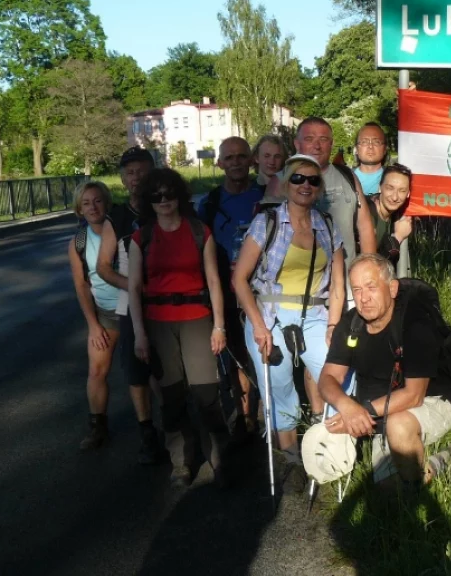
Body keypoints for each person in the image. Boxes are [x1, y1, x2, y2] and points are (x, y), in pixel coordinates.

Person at [232, 154, 346, 482]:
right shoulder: (266, 222)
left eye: (312, 180)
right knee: (280, 387)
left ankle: (326, 448)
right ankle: (292, 459)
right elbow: (240, 278)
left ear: (319, 187)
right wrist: (257, 325)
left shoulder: (326, 224)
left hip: (316, 313)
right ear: (286, 184)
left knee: (332, 376)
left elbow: (338, 281)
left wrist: (334, 324)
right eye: (298, 179)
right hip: (270, 313)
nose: (305, 185)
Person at [315, 254, 451, 489]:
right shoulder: (351, 325)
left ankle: (442, 465)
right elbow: (327, 378)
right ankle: (426, 469)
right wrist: (346, 406)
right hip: (379, 412)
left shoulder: (414, 323)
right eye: (357, 290)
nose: (363, 298)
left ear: (392, 288)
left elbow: (415, 395)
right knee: (388, 491)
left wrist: (361, 412)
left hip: (433, 401)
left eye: (371, 287)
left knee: (398, 426)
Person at [128, 168, 229, 486]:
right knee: (171, 398)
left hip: (197, 319)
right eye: (156, 196)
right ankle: (181, 462)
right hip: (158, 324)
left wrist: (220, 327)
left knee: (206, 394)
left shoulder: (200, 231)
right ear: (149, 201)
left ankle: (219, 458)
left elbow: (214, 281)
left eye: (169, 193)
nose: (164, 200)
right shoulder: (139, 238)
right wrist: (140, 334)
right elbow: (133, 289)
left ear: (179, 195)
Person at [95, 146, 166, 465]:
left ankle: (176, 426)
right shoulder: (118, 218)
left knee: (170, 367)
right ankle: (147, 431)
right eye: (130, 173)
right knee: (136, 369)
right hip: (129, 301)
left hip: (167, 299)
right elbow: (103, 267)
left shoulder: (165, 206)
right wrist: (135, 288)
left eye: (142, 171)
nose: (137, 178)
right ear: (123, 179)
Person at [197, 136, 265, 434]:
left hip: (263, 289)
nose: (236, 162)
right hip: (226, 289)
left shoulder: (267, 194)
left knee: (265, 350)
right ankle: (246, 416)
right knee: (236, 353)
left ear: (252, 160)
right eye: (230, 157)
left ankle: (273, 416)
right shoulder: (209, 204)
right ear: (220, 163)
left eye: (241, 156)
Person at [293, 117, 377, 299]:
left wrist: (369, 272)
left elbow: (364, 225)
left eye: (323, 139)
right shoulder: (282, 181)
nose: (317, 146)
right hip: (302, 295)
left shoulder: (347, 176)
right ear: (297, 144)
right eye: (309, 139)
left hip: (348, 287)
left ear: (332, 144)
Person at [68, 181, 120, 450]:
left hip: (132, 307)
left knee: (148, 372)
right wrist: (92, 325)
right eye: (86, 203)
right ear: (79, 209)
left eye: (97, 201)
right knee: (97, 370)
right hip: (103, 313)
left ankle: (158, 428)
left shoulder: (122, 229)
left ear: (107, 203)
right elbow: (81, 285)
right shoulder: (78, 242)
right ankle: (98, 427)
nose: (92, 207)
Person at [365, 163, 413, 272]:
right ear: (380, 187)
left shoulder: (397, 216)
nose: (395, 197)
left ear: (408, 194)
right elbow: (373, 266)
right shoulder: (365, 213)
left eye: (402, 191)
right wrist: (398, 237)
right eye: (390, 188)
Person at [353, 122, 389, 196]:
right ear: (356, 149)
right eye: (364, 142)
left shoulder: (393, 178)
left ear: (385, 149)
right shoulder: (345, 178)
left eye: (376, 142)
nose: (370, 146)